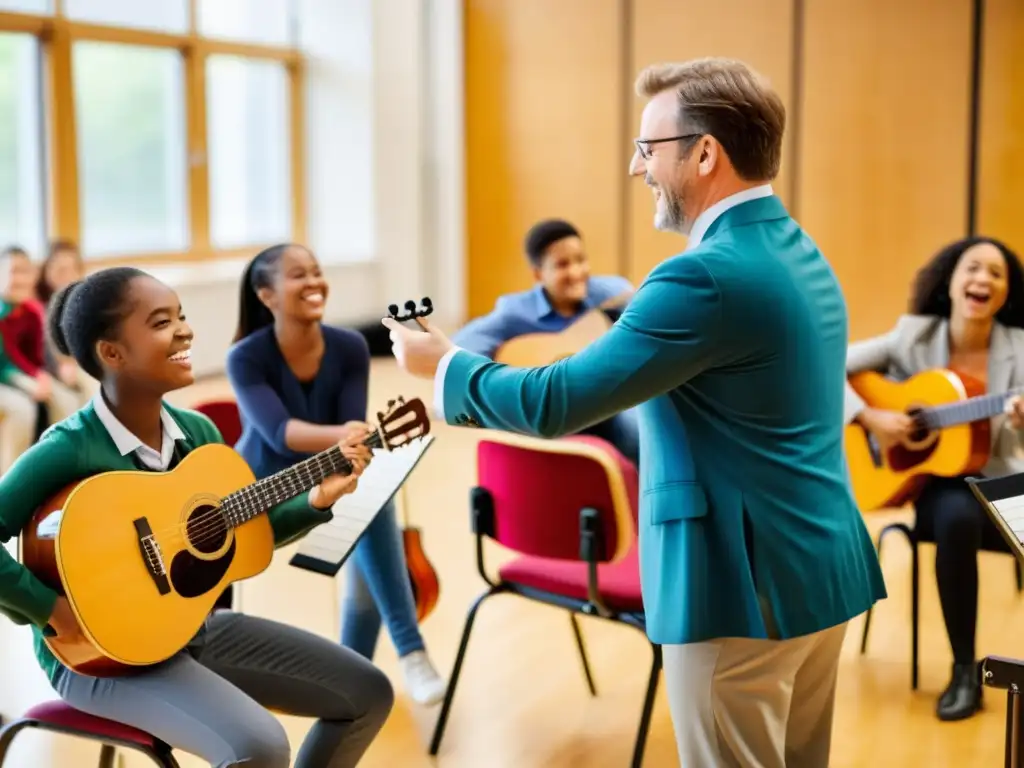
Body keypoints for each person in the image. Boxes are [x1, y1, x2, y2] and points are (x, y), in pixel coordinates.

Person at [383, 57, 887, 767]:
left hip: (738, 590)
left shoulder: (701, 276)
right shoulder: (798, 250)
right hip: (819, 567)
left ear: (705, 152)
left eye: (648, 149)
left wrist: (443, 367)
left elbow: (554, 401)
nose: (635, 168)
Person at [0, 267, 395, 768]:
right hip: (98, 660)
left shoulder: (198, 434)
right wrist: (49, 608)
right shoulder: (67, 448)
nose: (185, 330)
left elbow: (245, 534)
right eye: (162, 322)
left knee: (368, 692)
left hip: (192, 628)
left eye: (181, 316)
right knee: (259, 746)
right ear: (112, 353)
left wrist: (316, 499)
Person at [226, 243, 448, 706]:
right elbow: (279, 434)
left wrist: (352, 440)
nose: (313, 282)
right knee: (370, 506)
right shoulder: (244, 357)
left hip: (329, 472)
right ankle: (403, 656)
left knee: (370, 498)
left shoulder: (348, 347)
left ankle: (374, 669)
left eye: (317, 272)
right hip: (263, 491)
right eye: (298, 275)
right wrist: (343, 436)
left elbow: (349, 440)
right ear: (266, 295)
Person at [845, 235, 1024, 722]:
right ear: (950, 281)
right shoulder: (913, 336)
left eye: (996, 273)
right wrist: (871, 418)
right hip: (939, 490)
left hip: (1006, 485)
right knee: (956, 517)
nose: (982, 279)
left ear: (1007, 292)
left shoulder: (1020, 350)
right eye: (972, 268)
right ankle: (966, 671)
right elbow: (830, 367)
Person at [451, 218, 639, 465]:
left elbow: (643, 320)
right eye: (562, 265)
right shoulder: (515, 311)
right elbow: (462, 346)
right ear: (539, 274)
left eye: (580, 260)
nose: (575, 273)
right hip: (552, 412)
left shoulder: (610, 293)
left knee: (642, 428)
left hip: (606, 403)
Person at [0, 245, 79, 470]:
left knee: (67, 400)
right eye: (12, 271)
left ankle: (62, 468)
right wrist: (30, 381)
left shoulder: (32, 311)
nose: (20, 279)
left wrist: (41, 375)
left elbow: (37, 354)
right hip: (5, 375)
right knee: (22, 408)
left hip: (21, 373)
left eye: (25, 272)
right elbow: (5, 361)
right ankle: (10, 483)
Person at [35, 238, 89, 394]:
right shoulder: (38, 306)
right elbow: (40, 348)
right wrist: (60, 368)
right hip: (50, 371)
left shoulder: (86, 302)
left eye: (71, 269)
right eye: (59, 269)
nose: (65, 275)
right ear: (46, 271)